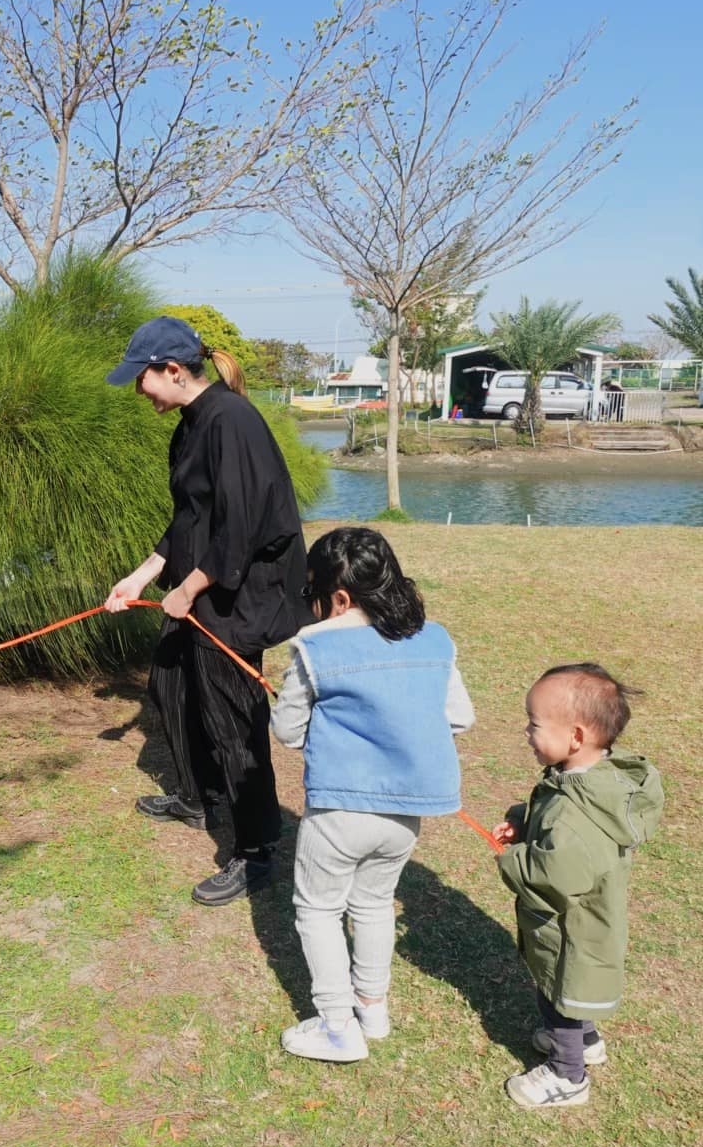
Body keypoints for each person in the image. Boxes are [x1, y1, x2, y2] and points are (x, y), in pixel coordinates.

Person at [103, 316, 307, 907]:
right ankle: (199, 796)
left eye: (141, 378)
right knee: (169, 682)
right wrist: (141, 576)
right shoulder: (191, 424)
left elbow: (241, 528)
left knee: (232, 718)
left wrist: (189, 588)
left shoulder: (231, 421)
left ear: (173, 370)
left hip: (238, 595)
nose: (138, 390)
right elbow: (190, 519)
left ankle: (256, 849)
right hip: (200, 585)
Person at [270, 527, 475, 1062]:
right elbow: (459, 718)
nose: (310, 606)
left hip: (339, 810)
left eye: (311, 593)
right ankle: (372, 1007)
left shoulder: (315, 646)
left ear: (338, 598)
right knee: (374, 902)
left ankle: (337, 1027)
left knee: (318, 908)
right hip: (405, 814)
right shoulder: (434, 638)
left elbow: (287, 731)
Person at [493, 664, 663, 1109]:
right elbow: (552, 818)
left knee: (560, 992)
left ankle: (568, 1075)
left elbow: (557, 877)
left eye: (534, 724)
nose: (526, 733)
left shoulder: (576, 813)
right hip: (588, 922)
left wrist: (512, 859)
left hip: (572, 930)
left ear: (575, 736)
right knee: (572, 988)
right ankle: (586, 1040)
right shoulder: (593, 781)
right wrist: (522, 823)